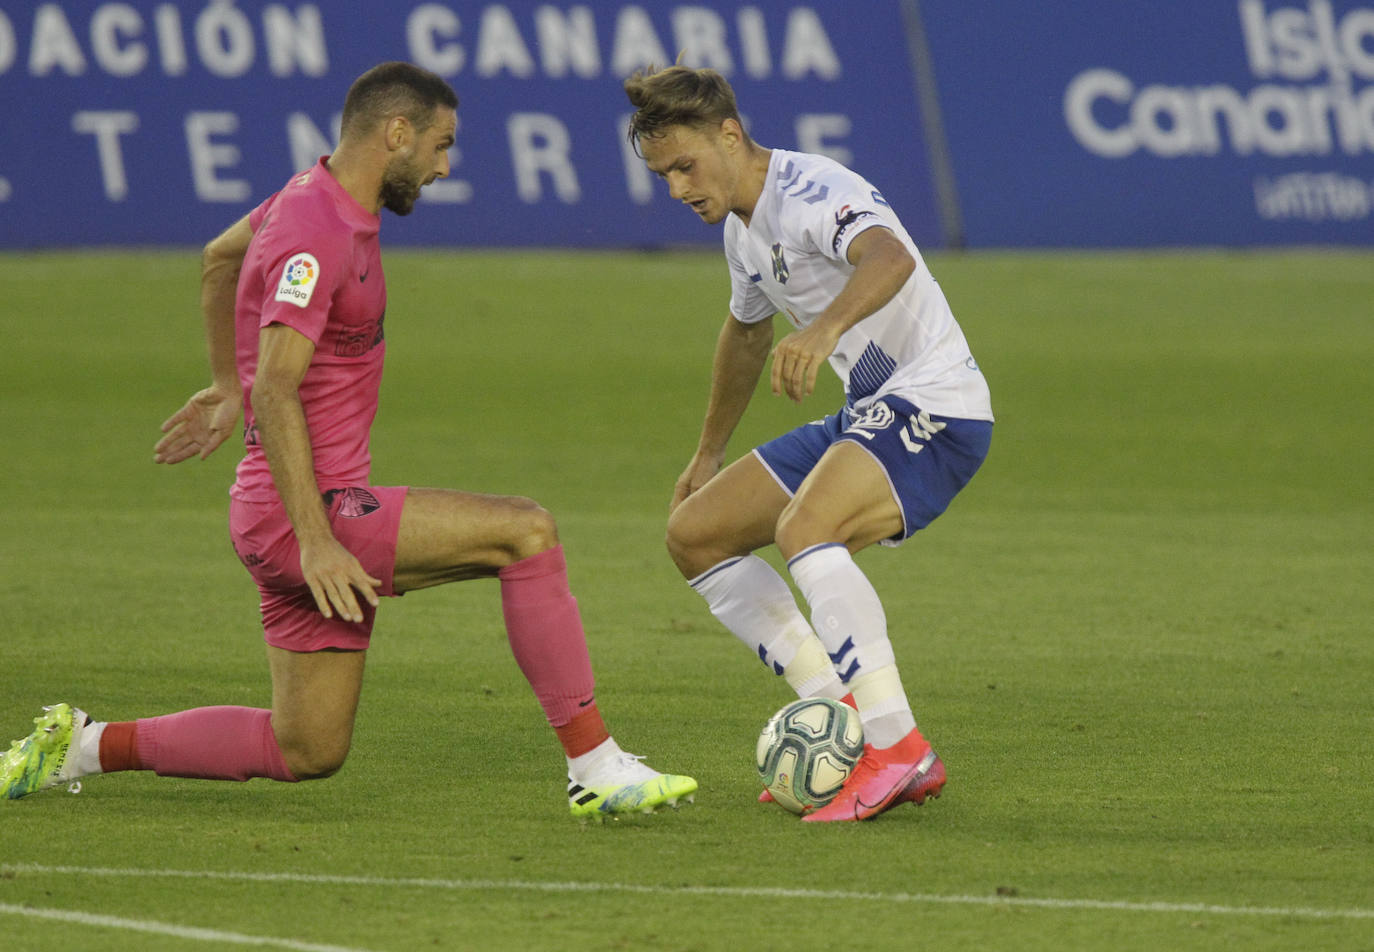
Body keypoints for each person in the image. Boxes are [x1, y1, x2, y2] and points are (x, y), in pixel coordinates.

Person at [2, 61, 695, 820]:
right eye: (439, 144)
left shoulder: (306, 199)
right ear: (396, 133)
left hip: (278, 514)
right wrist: (314, 536)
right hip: (306, 514)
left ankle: (83, 745)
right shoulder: (317, 232)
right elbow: (278, 384)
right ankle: (596, 765)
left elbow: (219, 258)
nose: (443, 165)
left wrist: (223, 384)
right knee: (525, 532)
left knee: (307, 748)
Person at [623, 66, 993, 822]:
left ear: (730, 135)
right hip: (869, 415)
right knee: (696, 535)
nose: (677, 188)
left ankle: (900, 748)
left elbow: (889, 257)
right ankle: (839, 722)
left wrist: (825, 330)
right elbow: (747, 332)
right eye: (663, 175)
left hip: (936, 404)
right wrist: (707, 454)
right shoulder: (741, 231)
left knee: (806, 529)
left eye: (685, 166)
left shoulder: (813, 188)